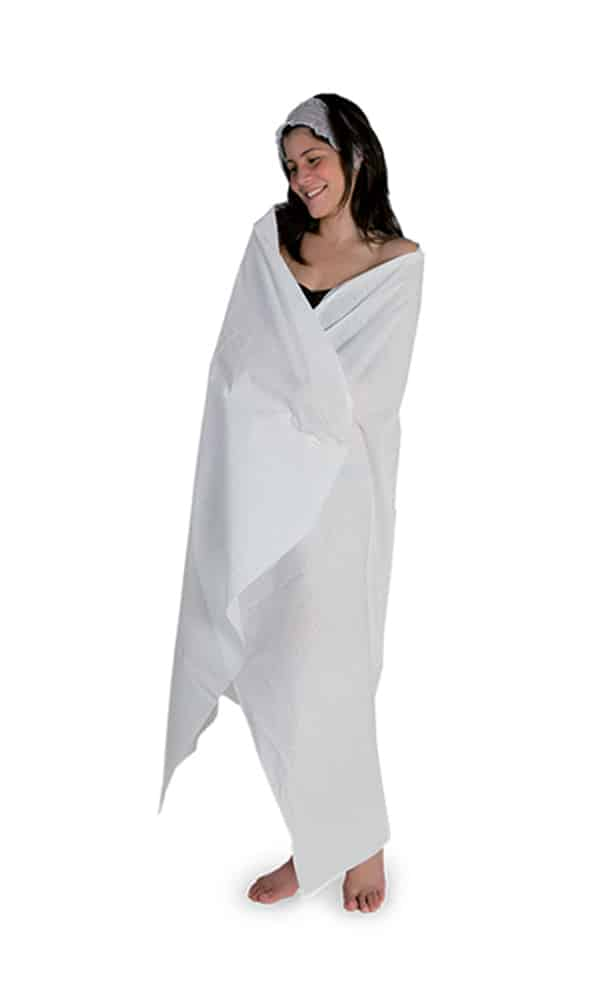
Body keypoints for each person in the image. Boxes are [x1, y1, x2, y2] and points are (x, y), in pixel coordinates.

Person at [159, 93, 424, 914]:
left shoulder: (398, 263)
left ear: (354, 156)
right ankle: (316, 840)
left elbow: (370, 395)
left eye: (314, 159)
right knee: (275, 661)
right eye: (290, 165)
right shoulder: (272, 242)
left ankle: (358, 844)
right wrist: (283, 416)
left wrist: (298, 407)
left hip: (341, 499)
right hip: (260, 486)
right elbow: (234, 367)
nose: (302, 178)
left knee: (334, 668)